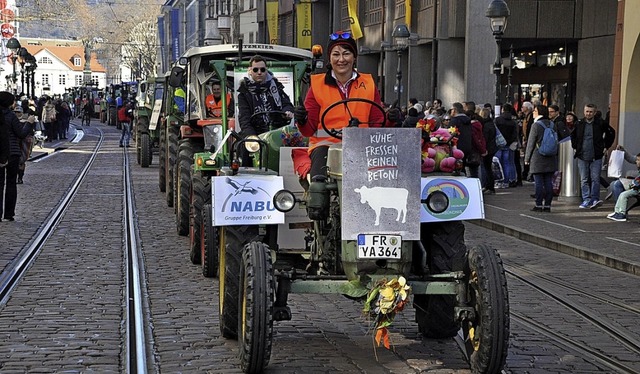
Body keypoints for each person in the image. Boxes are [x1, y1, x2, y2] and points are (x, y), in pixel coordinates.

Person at [294, 30, 397, 182]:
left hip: (363, 146)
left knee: (381, 180)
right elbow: (309, 130)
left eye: (346, 53)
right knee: (318, 184)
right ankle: (318, 204)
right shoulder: (316, 85)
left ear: (354, 57)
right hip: (325, 146)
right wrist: (302, 119)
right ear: (329, 58)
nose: (341, 59)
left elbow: (377, 123)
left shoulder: (368, 83)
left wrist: (391, 118)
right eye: (336, 54)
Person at [237, 55, 294, 165]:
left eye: (262, 69)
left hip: (277, 131)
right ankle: (246, 173)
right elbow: (244, 119)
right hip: (256, 131)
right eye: (256, 69)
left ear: (266, 70)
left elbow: (287, 103)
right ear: (250, 71)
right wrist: (252, 137)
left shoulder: (276, 87)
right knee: (245, 147)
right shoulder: (244, 93)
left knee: (295, 141)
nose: (259, 72)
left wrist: (287, 111)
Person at [0, 92, 36, 221]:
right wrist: (29, 123)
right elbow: (21, 134)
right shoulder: (10, 116)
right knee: (11, 183)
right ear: (9, 103)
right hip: (12, 152)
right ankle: (9, 214)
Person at [571, 103, 614, 209]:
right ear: (584, 111)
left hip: (596, 155)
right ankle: (586, 199)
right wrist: (575, 146)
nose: (588, 114)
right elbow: (573, 135)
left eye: (590, 112)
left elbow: (611, 132)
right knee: (584, 179)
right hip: (582, 155)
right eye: (587, 111)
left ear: (595, 112)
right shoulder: (579, 123)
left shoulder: (601, 123)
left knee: (595, 178)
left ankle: (594, 198)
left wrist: (606, 146)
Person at [524, 105, 557, 212]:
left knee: (538, 182)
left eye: (535, 111)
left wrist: (527, 158)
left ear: (539, 112)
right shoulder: (552, 124)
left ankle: (538, 205)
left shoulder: (536, 125)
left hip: (538, 157)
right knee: (548, 182)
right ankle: (547, 205)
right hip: (551, 157)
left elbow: (531, 143)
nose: (533, 112)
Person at [606, 154, 640, 222]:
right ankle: (617, 211)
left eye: (638, 160)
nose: (636, 161)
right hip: (636, 186)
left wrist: (635, 184)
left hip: (638, 189)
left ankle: (622, 213)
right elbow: (631, 158)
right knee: (615, 184)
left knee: (623, 194)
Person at [480, 107, 497, 194]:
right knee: (488, 167)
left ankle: (489, 186)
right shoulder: (491, 123)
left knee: (487, 168)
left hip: (488, 149)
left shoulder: (486, 125)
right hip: (492, 148)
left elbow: (485, 138)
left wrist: (483, 148)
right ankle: (489, 186)